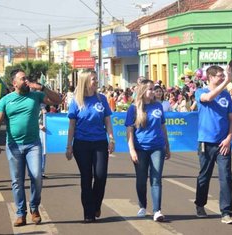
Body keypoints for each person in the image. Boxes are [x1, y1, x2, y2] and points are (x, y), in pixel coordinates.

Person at [0, 68, 62, 227]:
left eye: (26, 78)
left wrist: (42, 88)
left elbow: (58, 100)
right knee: (17, 181)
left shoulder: (36, 96)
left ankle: (34, 207)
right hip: (14, 145)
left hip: (33, 145)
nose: (26, 81)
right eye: (22, 78)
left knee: (37, 176)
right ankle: (20, 213)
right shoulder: (6, 100)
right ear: (14, 83)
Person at [65, 70, 115, 223]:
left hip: (100, 142)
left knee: (100, 176)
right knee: (86, 178)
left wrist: (111, 139)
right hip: (82, 144)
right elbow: (72, 125)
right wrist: (69, 146)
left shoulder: (102, 99)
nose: (96, 81)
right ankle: (89, 213)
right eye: (93, 79)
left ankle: (96, 204)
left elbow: (107, 120)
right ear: (85, 81)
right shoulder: (76, 101)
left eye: (96, 79)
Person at [194, 65, 232, 224]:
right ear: (210, 77)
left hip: (223, 143)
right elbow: (208, 98)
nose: (222, 77)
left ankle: (226, 212)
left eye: (223, 75)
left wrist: (229, 138)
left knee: (226, 177)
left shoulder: (226, 96)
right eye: (219, 75)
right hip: (206, 142)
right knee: (204, 176)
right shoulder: (201, 92)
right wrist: (226, 82)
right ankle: (200, 204)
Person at [125, 79, 170, 222]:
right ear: (143, 91)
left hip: (157, 147)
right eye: (150, 89)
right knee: (141, 179)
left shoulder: (158, 106)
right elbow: (129, 131)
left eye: (154, 89)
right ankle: (142, 205)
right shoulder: (133, 109)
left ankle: (157, 210)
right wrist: (132, 149)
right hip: (140, 149)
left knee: (156, 179)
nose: (153, 92)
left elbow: (163, 127)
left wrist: (167, 146)